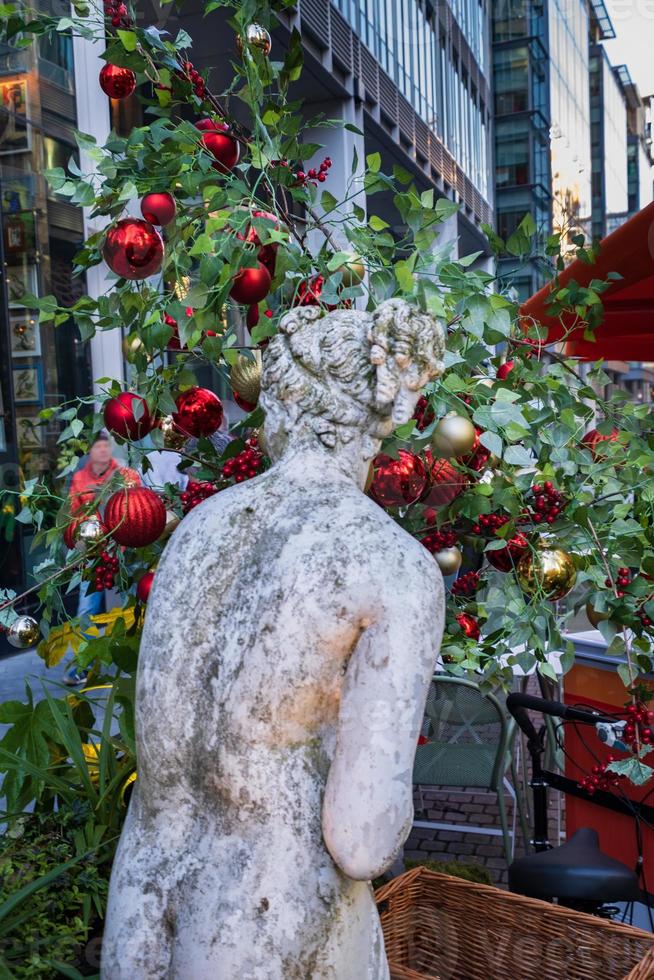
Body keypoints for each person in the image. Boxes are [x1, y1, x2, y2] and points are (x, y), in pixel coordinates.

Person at [102, 300, 446, 978]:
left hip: (138, 903)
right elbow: (363, 839)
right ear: (387, 412)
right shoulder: (391, 564)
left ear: (278, 404)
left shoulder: (200, 529)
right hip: (267, 917)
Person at [63, 433, 140, 686]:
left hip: (123, 548)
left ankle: (138, 655)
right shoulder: (80, 479)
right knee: (87, 609)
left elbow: (136, 505)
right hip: (94, 552)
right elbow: (75, 517)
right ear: (91, 452)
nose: (104, 450)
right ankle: (82, 666)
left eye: (107, 446)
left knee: (134, 600)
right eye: (99, 446)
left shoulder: (124, 474)